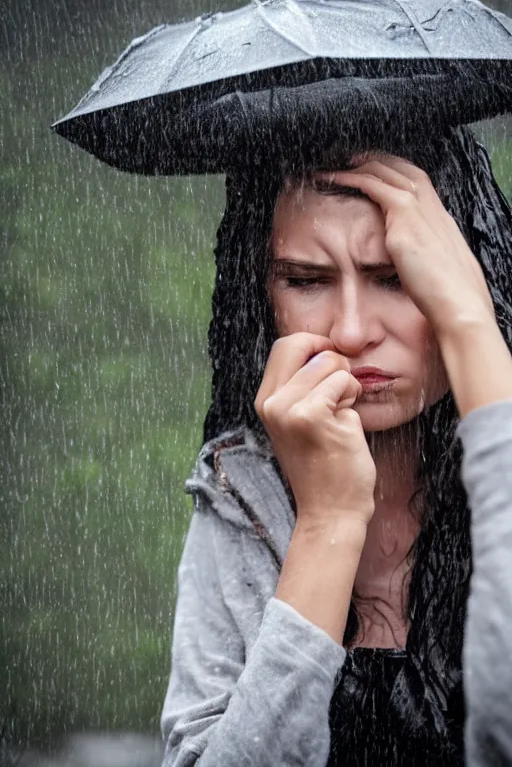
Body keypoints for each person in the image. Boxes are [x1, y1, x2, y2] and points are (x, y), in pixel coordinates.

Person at [160, 125, 512, 766]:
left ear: (469, 274)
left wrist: (469, 328)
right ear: (262, 296)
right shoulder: (244, 489)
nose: (351, 331)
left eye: (397, 277)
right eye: (306, 279)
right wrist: (327, 523)